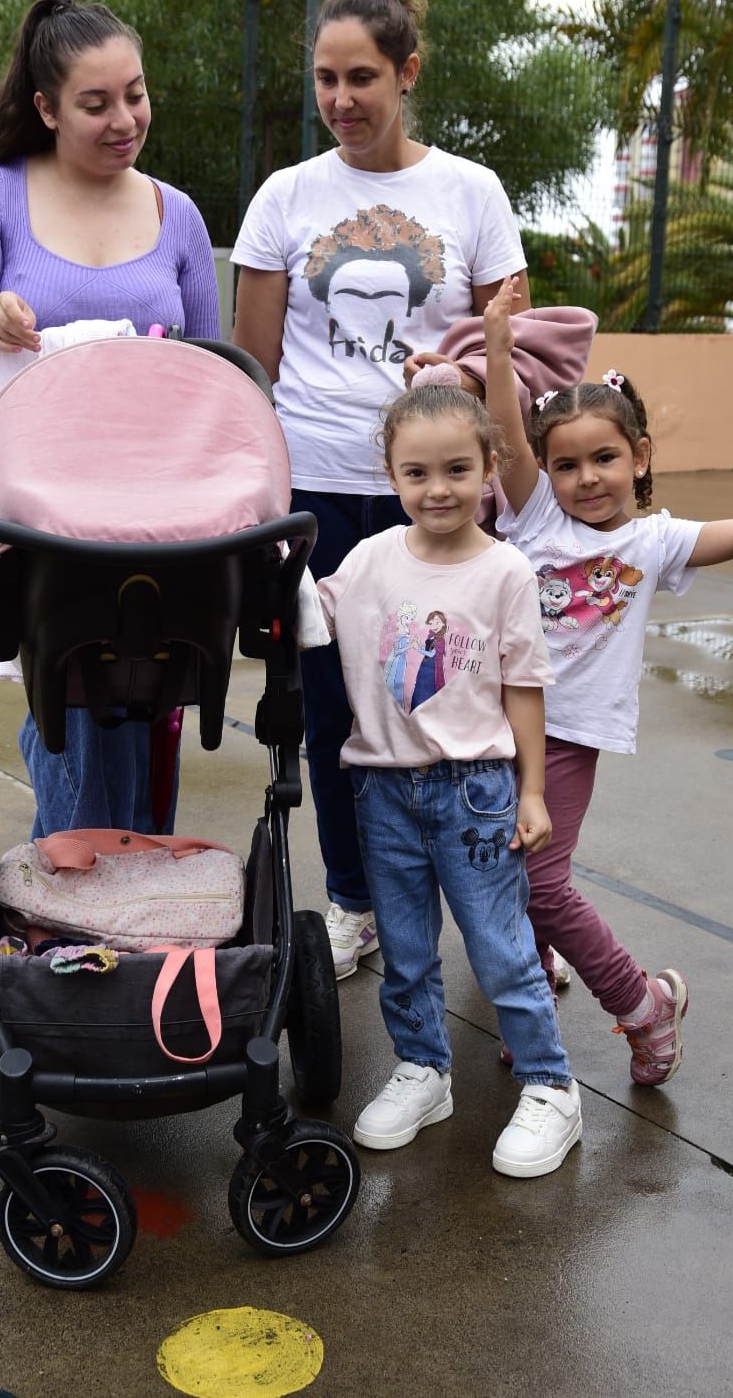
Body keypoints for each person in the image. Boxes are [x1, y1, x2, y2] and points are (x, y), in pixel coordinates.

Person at [231, 0, 534, 978]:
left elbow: (515, 347)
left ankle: (502, 908)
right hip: (316, 493)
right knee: (332, 711)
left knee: (457, 703)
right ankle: (356, 903)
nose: (340, 98)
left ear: (407, 72)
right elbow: (250, 371)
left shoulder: (474, 192)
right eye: (325, 77)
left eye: (361, 76)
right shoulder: (282, 198)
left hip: (441, 498)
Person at [484, 279, 733, 1084]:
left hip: (569, 735)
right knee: (501, 867)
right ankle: (534, 985)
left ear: (640, 457)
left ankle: (642, 1002)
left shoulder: (655, 543)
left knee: (543, 883)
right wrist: (496, 335)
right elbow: (504, 434)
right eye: (567, 464)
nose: (586, 477)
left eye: (605, 458)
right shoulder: (535, 517)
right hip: (493, 720)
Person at [0, 0, 221, 837]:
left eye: (137, 93)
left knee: (151, 677)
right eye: (96, 104)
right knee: (76, 678)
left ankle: (123, 889)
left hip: (157, 502)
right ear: (45, 108)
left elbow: (212, 374)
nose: (125, 119)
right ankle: (85, 885)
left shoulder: (176, 215)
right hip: (45, 501)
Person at [317, 383, 583, 1178]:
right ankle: (424, 1070)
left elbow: (525, 687)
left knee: (500, 949)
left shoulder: (504, 571)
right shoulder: (367, 560)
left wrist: (532, 791)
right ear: (391, 477)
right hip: (383, 791)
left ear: (491, 467)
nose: (438, 489)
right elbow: (304, 610)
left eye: (458, 469)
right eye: (417, 473)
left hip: (474, 788)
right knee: (403, 950)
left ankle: (550, 1087)